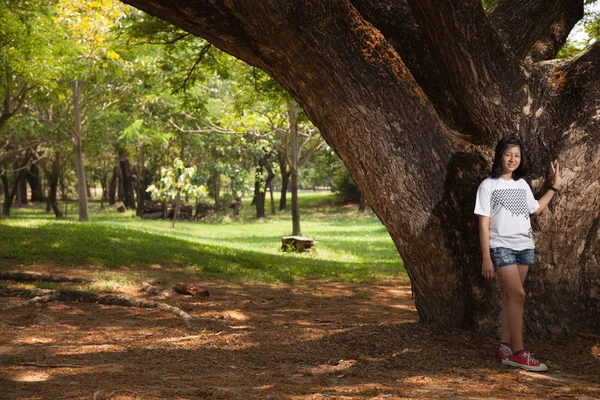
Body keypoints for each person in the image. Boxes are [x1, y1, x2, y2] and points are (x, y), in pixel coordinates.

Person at [474, 136, 563, 372]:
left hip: (524, 247)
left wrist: (553, 186)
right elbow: (483, 224)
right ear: (499, 156)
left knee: (511, 298)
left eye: (517, 155)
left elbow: (537, 209)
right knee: (519, 295)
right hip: (500, 247)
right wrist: (486, 257)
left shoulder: (522, 185)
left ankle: (505, 345)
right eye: (508, 154)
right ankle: (518, 353)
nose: (512, 159)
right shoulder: (488, 186)